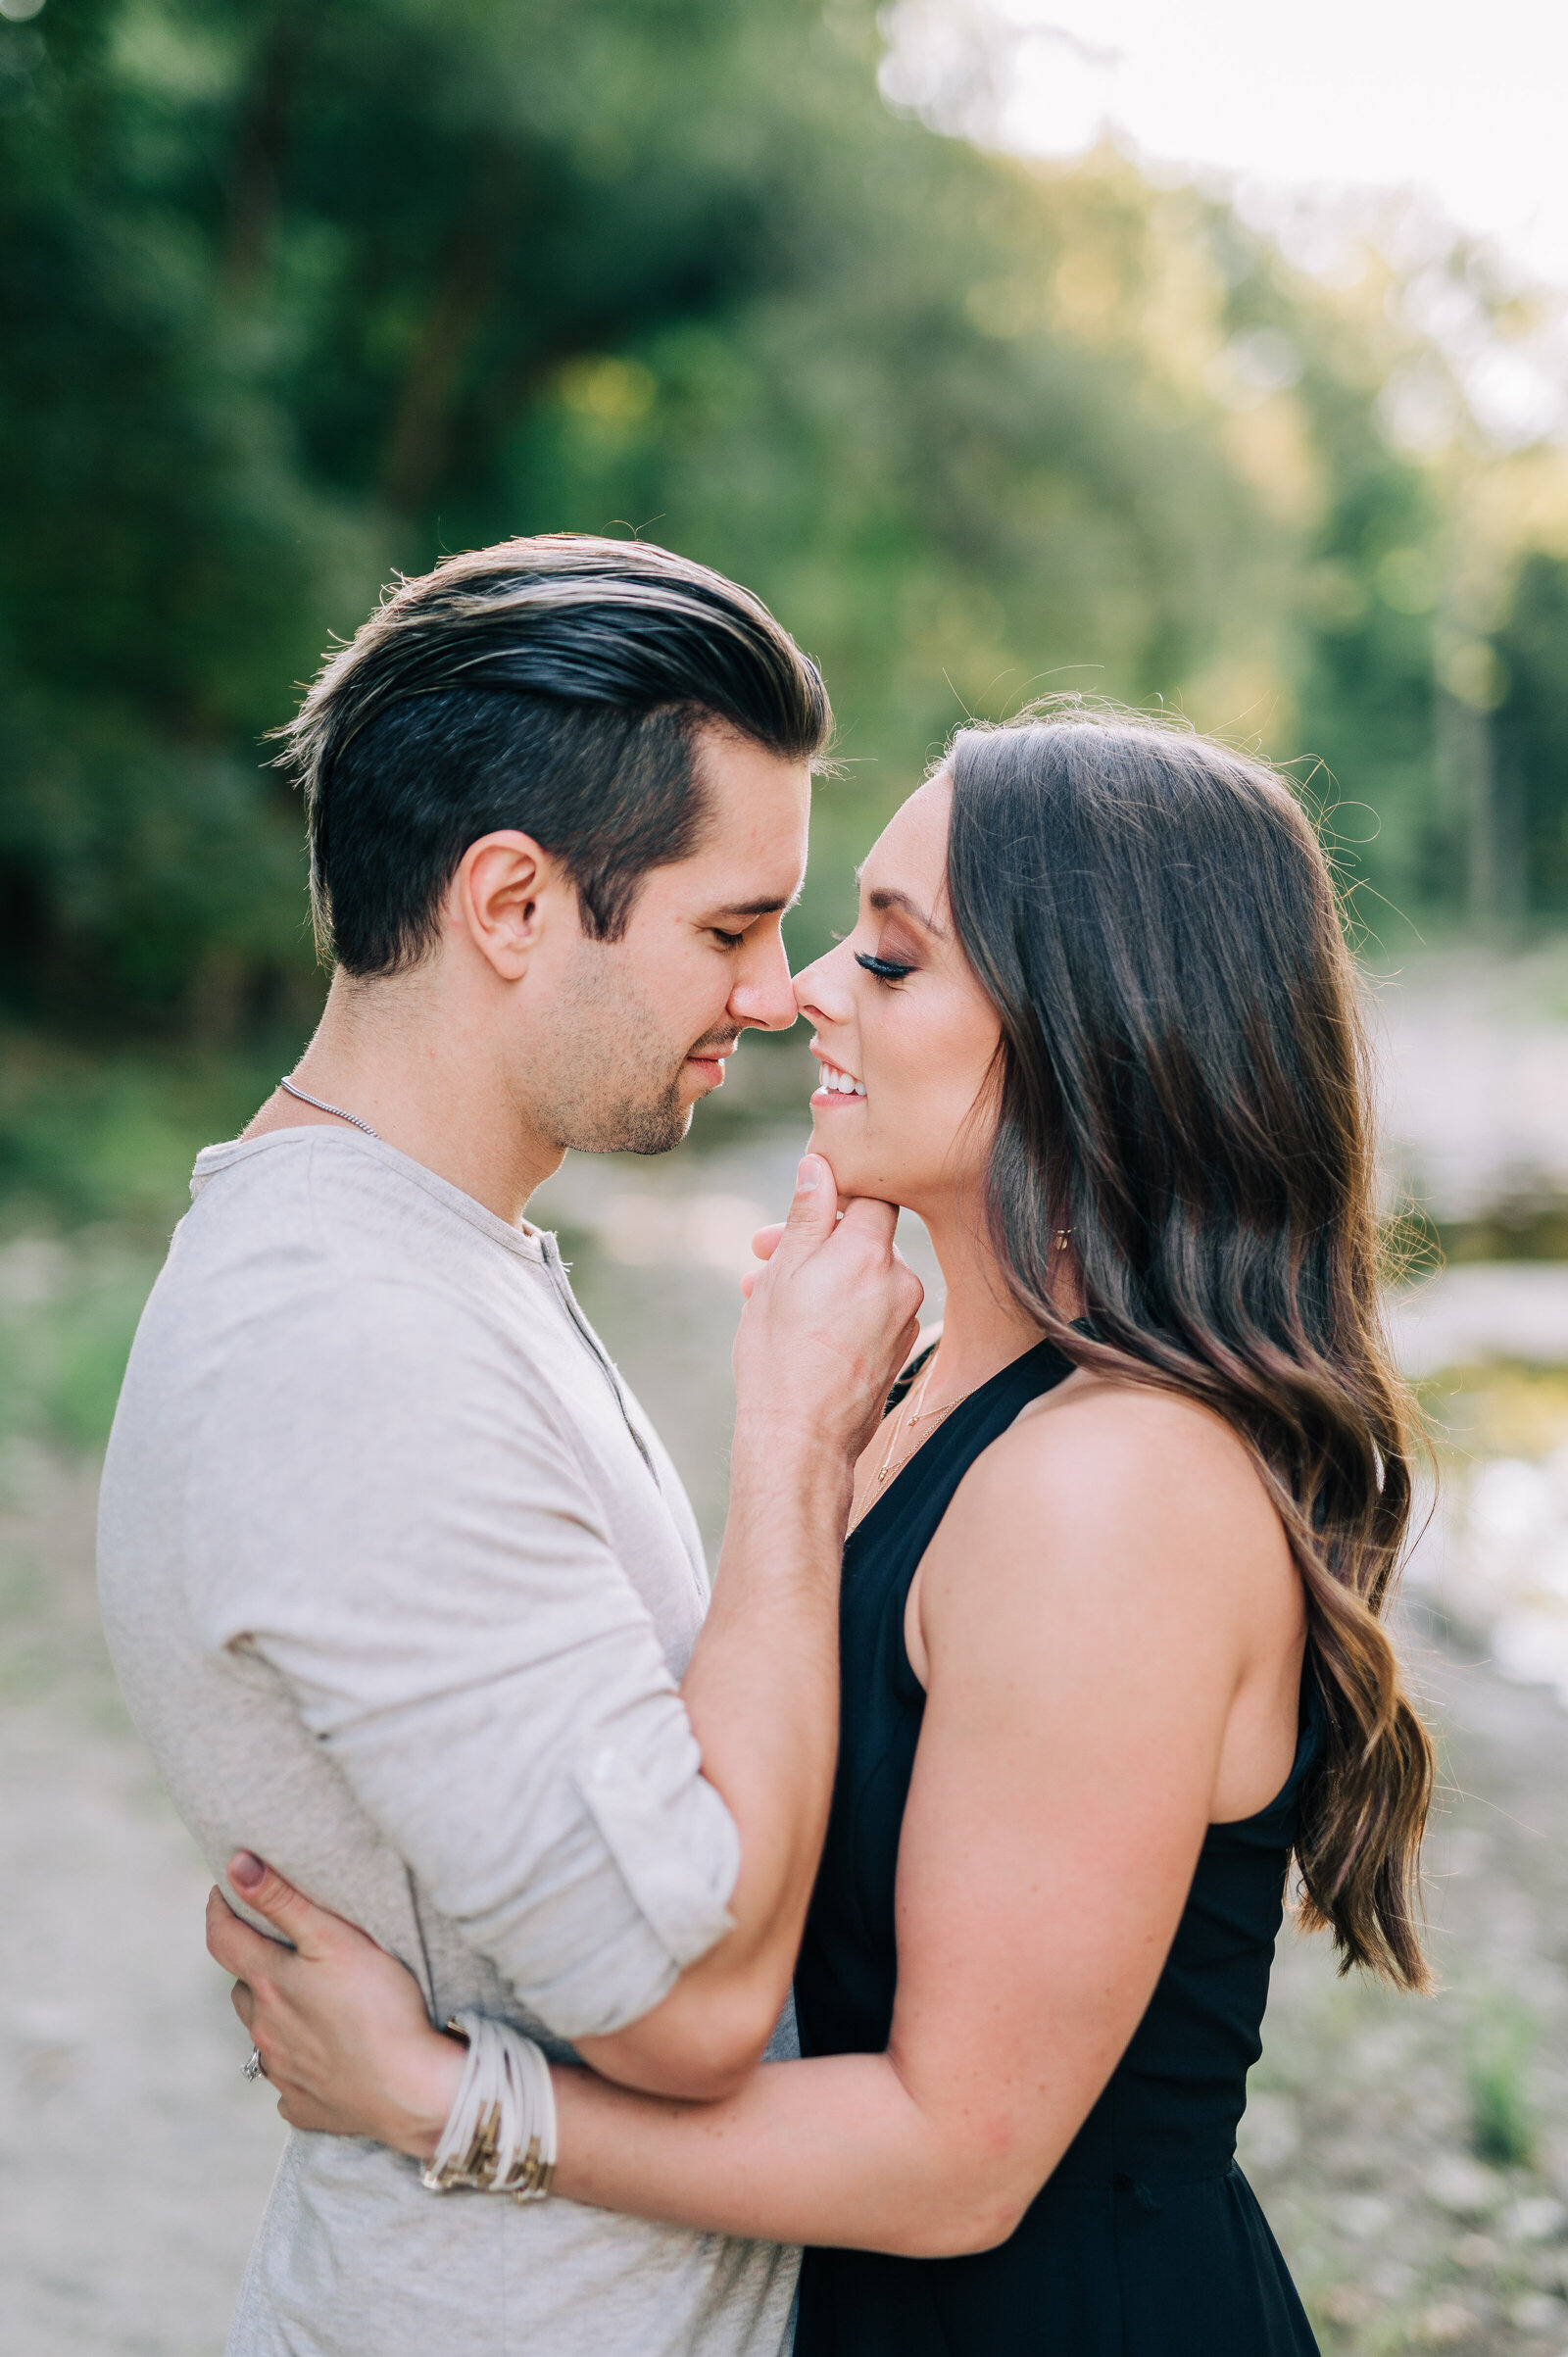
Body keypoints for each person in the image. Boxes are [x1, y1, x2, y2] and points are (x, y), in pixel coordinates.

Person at [209, 709, 1438, 2356]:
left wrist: (442, 2094)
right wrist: (791, 1439)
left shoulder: (1112, 1487)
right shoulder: (919, 1385)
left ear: (1097, 1024)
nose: (803, 991)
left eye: (891, 958)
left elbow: (961, 2157)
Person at [97, 533, 923, 2357]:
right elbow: (690, 1998)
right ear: (511, 904)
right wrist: (792, 1456)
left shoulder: (422, 1261)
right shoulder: (343, 1344)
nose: (780, 990)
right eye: (728, 924)